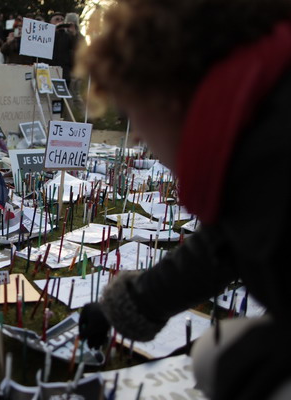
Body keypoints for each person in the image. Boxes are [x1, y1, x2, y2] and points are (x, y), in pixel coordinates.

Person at [77, 1, 291, 399]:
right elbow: (221, 246)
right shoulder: (258, 123)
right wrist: (128, 306)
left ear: (166, 94)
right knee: (217, 355)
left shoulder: (273, 153)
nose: (137, 137)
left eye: (132, 113)